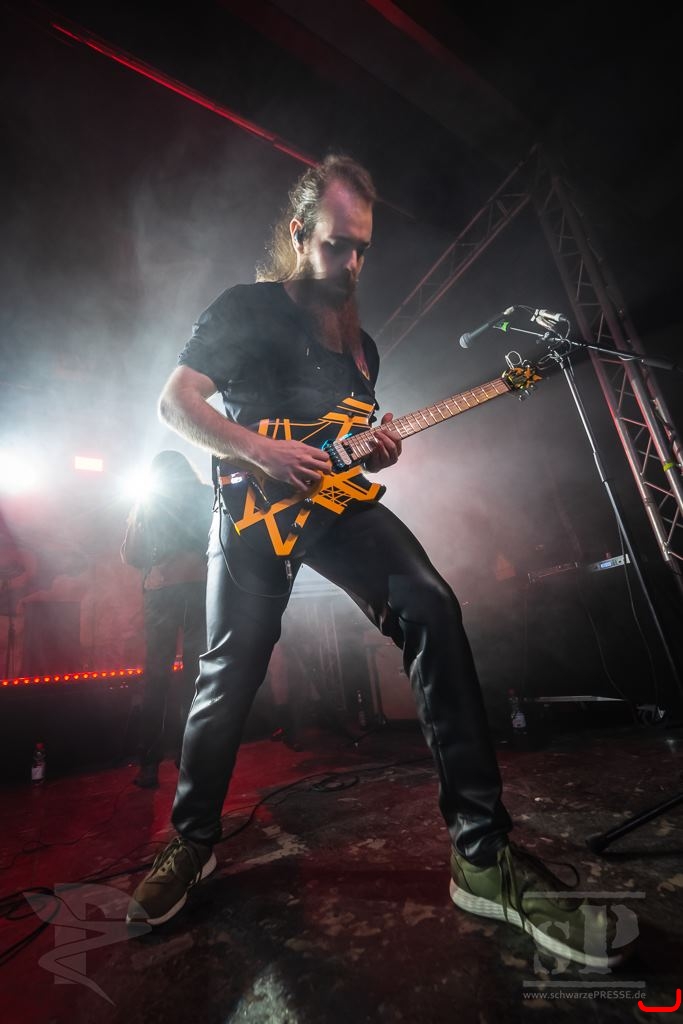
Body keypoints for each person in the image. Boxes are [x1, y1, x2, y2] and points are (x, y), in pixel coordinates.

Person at [127, 155, 633, 968]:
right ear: (300, 235)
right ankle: (190, 842)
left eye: (362, 247)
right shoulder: (246, 307)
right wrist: (259, 449)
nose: (350, 263)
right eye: (336, 245)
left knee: (431, 604)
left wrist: (376, 448)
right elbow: (174, 403)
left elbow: (348, 437)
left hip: (334, 507)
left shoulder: (360, 345)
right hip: (255, 509)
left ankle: (480, 855)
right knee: (228, 672)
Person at [121, 450, 214, 788]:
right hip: (198, 587)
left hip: (162, 591)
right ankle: (191, 758)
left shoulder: (150, 498)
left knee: (156, 676)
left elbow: (132, 554)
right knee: (196, 675)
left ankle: (149, 766)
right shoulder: (206, 495)